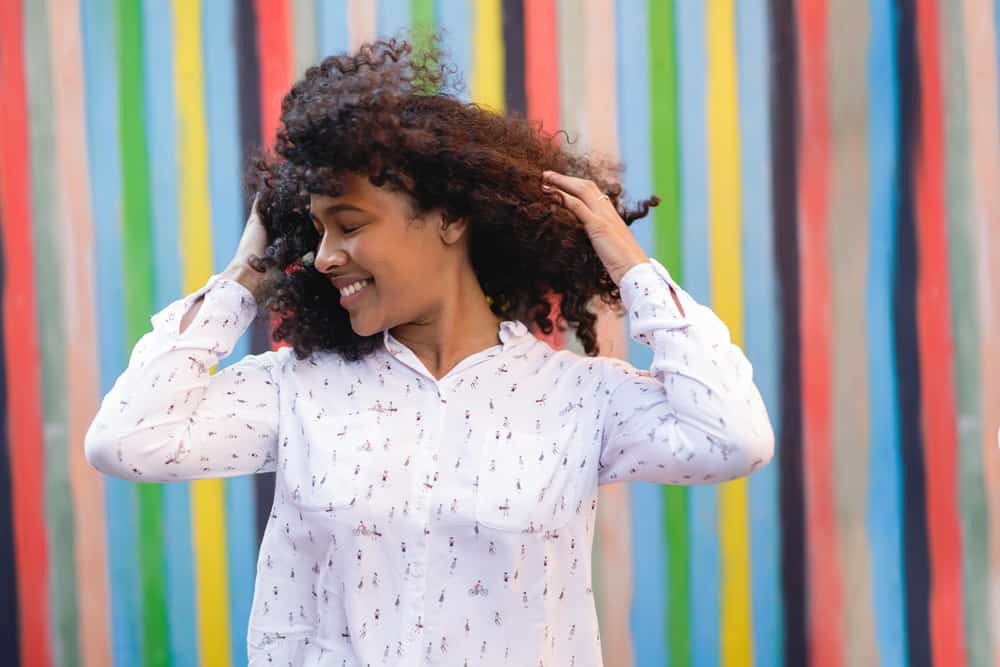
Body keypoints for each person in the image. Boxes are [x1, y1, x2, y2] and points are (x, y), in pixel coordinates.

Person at [85, 38, 774, 666]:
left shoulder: (579, 396)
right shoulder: (296, 389)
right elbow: (125, 440)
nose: (325, 257)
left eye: (348, 224)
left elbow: (733, 437)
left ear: (450, 215)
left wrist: (632, 269)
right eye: (315, 230)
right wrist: (245, 278)